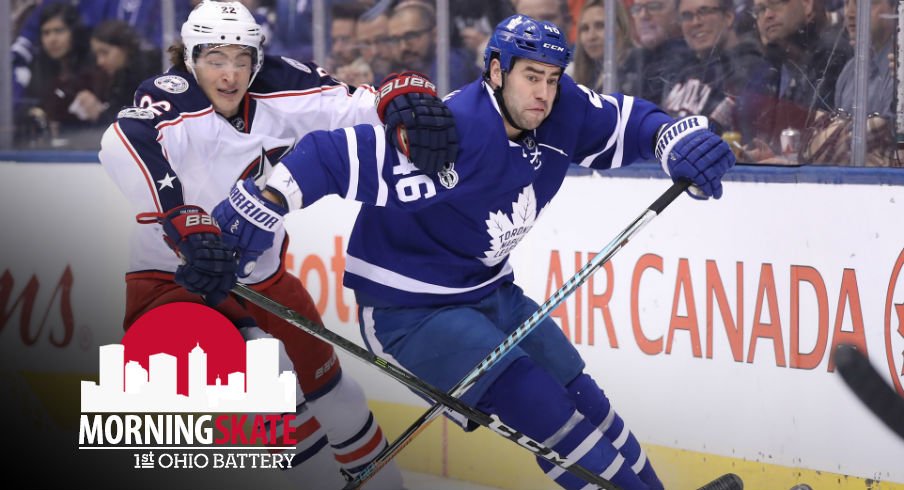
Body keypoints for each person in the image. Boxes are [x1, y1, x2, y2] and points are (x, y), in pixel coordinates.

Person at [205, 13, 735, 490]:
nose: (544, 93)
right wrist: (265, 198)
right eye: (531, 76)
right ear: (497, 72)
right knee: (550, 414)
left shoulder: (560, 109)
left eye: (552, 79)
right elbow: (330, 155)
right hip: (410, 311)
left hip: (489, 290)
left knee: (588, 402)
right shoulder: (451, 132)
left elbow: (629, 122)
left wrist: (675, 138)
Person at [97, 1, 458, 489]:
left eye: (241, 59)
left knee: (340, 399)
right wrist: (179, 217)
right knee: (268, 374)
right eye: (214, 59)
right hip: (178, 281)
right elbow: (122, 140)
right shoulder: (171, 96)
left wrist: (400, 96)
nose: (230, 75)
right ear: (189, 58)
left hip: (262, 280)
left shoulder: (284, 85)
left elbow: (358, 105)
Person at [661, 0, 768, 135]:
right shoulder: (679, 70)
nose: (696, 22)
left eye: (704, 12)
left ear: (728, 17)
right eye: (687, 16)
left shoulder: (749, 70)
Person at [621, 0, 697, 105]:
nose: (643, 15)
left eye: (654, 7)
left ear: (678, 13)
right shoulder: (633, 63)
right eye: (637, 9)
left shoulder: (690, 60)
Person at [569, 0, 633, 92]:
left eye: (600, 26)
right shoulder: (580, 76)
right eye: (585, 28)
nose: (591, 36)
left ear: (621, 27)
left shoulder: (636, 70)